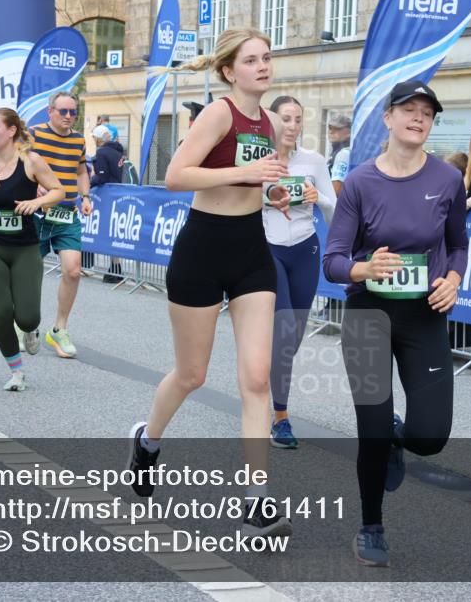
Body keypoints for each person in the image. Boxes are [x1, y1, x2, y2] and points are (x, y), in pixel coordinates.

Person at [126, 28, 293, 539]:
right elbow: (177, 176)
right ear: (229, 72)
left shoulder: (271, 122)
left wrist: (275, 193)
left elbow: (260, 181)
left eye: (266, 58)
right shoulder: (219, 113)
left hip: (251, 251)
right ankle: (147, 441)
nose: (262, 66)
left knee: (258, 377)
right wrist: (242, 176)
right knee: (191, 374)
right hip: (201, 249)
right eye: (251, 60)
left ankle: (257, 501)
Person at [324, 80, 467, 567]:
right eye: (409, 108)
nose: (419, 117)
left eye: (427, 112)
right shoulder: (361, 181)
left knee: (431, 437)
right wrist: (364, 269)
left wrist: (453, 278)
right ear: (388, 118)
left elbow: (460, 243)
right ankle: (371, 526)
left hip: (423, 316)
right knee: (372, 428)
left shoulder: (448, 180)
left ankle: (396, 437)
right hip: (368, 313)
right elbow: (334, 261)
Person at [263, 95, 336, 448]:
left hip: (306, 250)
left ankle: (267, 376)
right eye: (285, 119)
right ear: (271, 121)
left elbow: (335, 212)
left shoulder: (314, 161)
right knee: (283, 329)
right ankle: (281, 417)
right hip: (268, 249)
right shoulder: (258, 160)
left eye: (297, 120)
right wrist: (267, 197)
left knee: (292, 339)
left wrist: (316, 198)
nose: (292, 126)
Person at [0, 109, 63, 392]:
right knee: (1, 312)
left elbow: (57, 190)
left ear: (11, 131)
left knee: (27, 316)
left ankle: (30, 330)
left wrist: (37, 203)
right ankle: (16, 371)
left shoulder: (30, 161)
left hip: (25, 248)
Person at [29, 91, 93, 358]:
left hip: (67, 214)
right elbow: (20, 164)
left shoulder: (78, 139)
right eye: (63, 111)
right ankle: (24, 321)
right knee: (29, 272)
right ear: (50, 112)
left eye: (73, 112)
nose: (69, 116)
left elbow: (80, 170)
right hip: (38, 213)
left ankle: (59, 329)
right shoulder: (33, 134)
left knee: (73, 270)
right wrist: (35, 188)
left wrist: (86, 196)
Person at [90, 124, 128, 283]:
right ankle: (115, 268)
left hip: (108, 198)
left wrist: (89, 182)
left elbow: (102, 177)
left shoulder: (102, 152)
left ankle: (115, 271)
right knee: (114, 234)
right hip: (121, 196)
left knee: (106, 232)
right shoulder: (120, 152)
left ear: (98, 140)